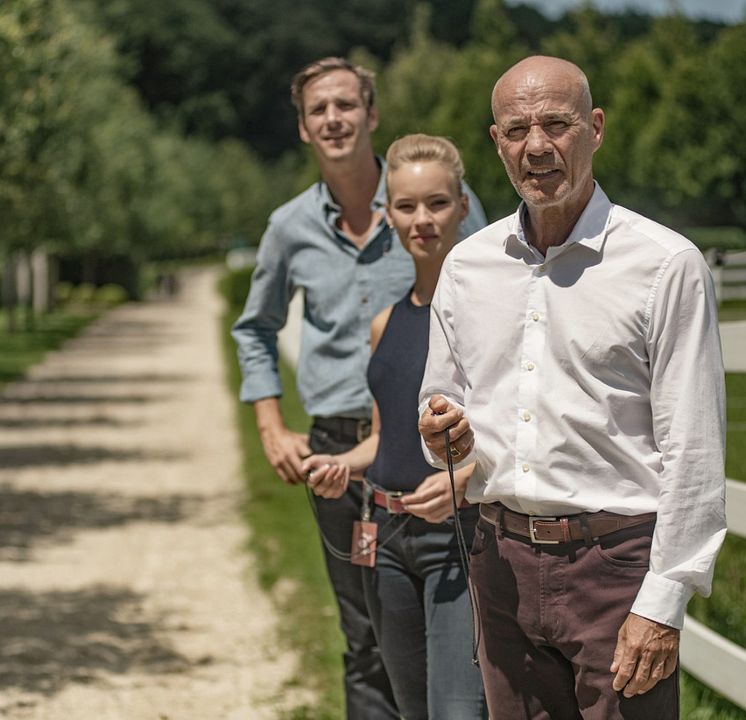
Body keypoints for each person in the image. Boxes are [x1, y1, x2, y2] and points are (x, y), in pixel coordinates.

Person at [417, 55, 727, 720]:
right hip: (497, 564)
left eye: (556, 125)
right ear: (495, 141)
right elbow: (440, 416)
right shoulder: (467, 267)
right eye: (516, 129)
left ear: (594, 128)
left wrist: (661, 601)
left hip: (614, 570)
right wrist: (442, 432)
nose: (536, 147)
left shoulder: (664, 264)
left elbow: (694, 452)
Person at [231, 57, 486, 718]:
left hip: (441, 456)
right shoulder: (290, 228)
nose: (333, 119)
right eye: (319, 110)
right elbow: (254, 327)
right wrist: (270, 425)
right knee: (365, 638)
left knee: (451, 639)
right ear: (302, 129)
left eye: (346, 105)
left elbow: (496, 302)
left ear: (371, 115)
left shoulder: (428, 200)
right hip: (345, 457)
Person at [301, 134, 488, 720]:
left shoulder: (490, 315)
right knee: (410, 709)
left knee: (457, 711)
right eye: (406, 207)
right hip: (385, 539)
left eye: (436, 203)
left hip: (456, 538)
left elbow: (520, 430)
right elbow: (386, 438)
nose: (422, 220)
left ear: (462, 206)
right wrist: (338, 465)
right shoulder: (386, 322)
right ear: (388, 216)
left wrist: (471, 473)